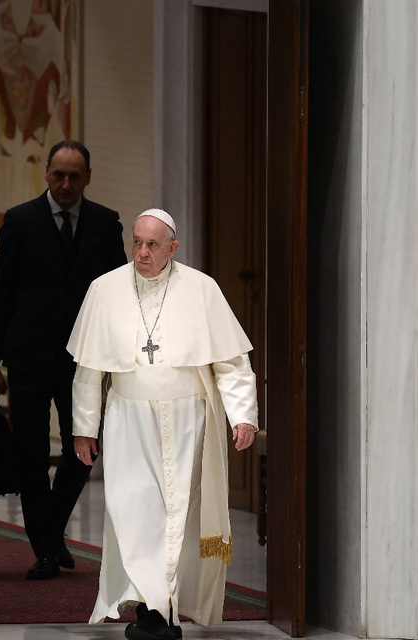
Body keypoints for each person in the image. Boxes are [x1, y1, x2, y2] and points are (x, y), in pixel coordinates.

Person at [68, 209, 259, 640]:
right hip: (127, 421)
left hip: (188, 417)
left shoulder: (202, 289)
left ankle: (162, 611)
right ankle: (150, 605)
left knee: (178, 513)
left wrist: (243, 415)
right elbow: (88, 370)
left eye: (152, 245)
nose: (142, 252)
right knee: (133, 511)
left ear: (173, 248)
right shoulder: (104, 289)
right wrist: (85, 427)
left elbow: (232, 362)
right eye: (136, 242)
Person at [0, 140, 127, 580]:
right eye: (59, 175)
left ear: (87, 178)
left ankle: (50, 529)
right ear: (45, 172)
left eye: (75, 176)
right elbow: (0, 293)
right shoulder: (20, 222)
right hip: (27, 356)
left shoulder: (104, 224)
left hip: (84, 359)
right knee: (30, 452)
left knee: (84, 447)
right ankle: (46, 550)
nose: (66, 184)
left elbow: (120, 293)